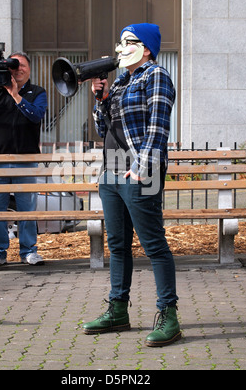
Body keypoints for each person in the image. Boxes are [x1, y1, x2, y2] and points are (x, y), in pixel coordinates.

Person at [82, 23, 181, 347]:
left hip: (140, 173)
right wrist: (102, 97)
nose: (121, 48)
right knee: (118, 245)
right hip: (112, 173)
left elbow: (158, 128)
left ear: (147, 48)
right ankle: (118, 310)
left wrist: (141, 168)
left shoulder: (157, 76)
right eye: (120, 43)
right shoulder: (123, 81)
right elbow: (102, 129)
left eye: (129, 42)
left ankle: (169, 315)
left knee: (154, 245)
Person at [0, 51, 48, 268]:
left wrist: (16, 95)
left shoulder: (37, 92)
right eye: (13, 66)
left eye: (22, 66)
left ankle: (28, 251)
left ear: (29, 69)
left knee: (26, 209)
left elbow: (36, 116)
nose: (18, 69)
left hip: (25, 159)